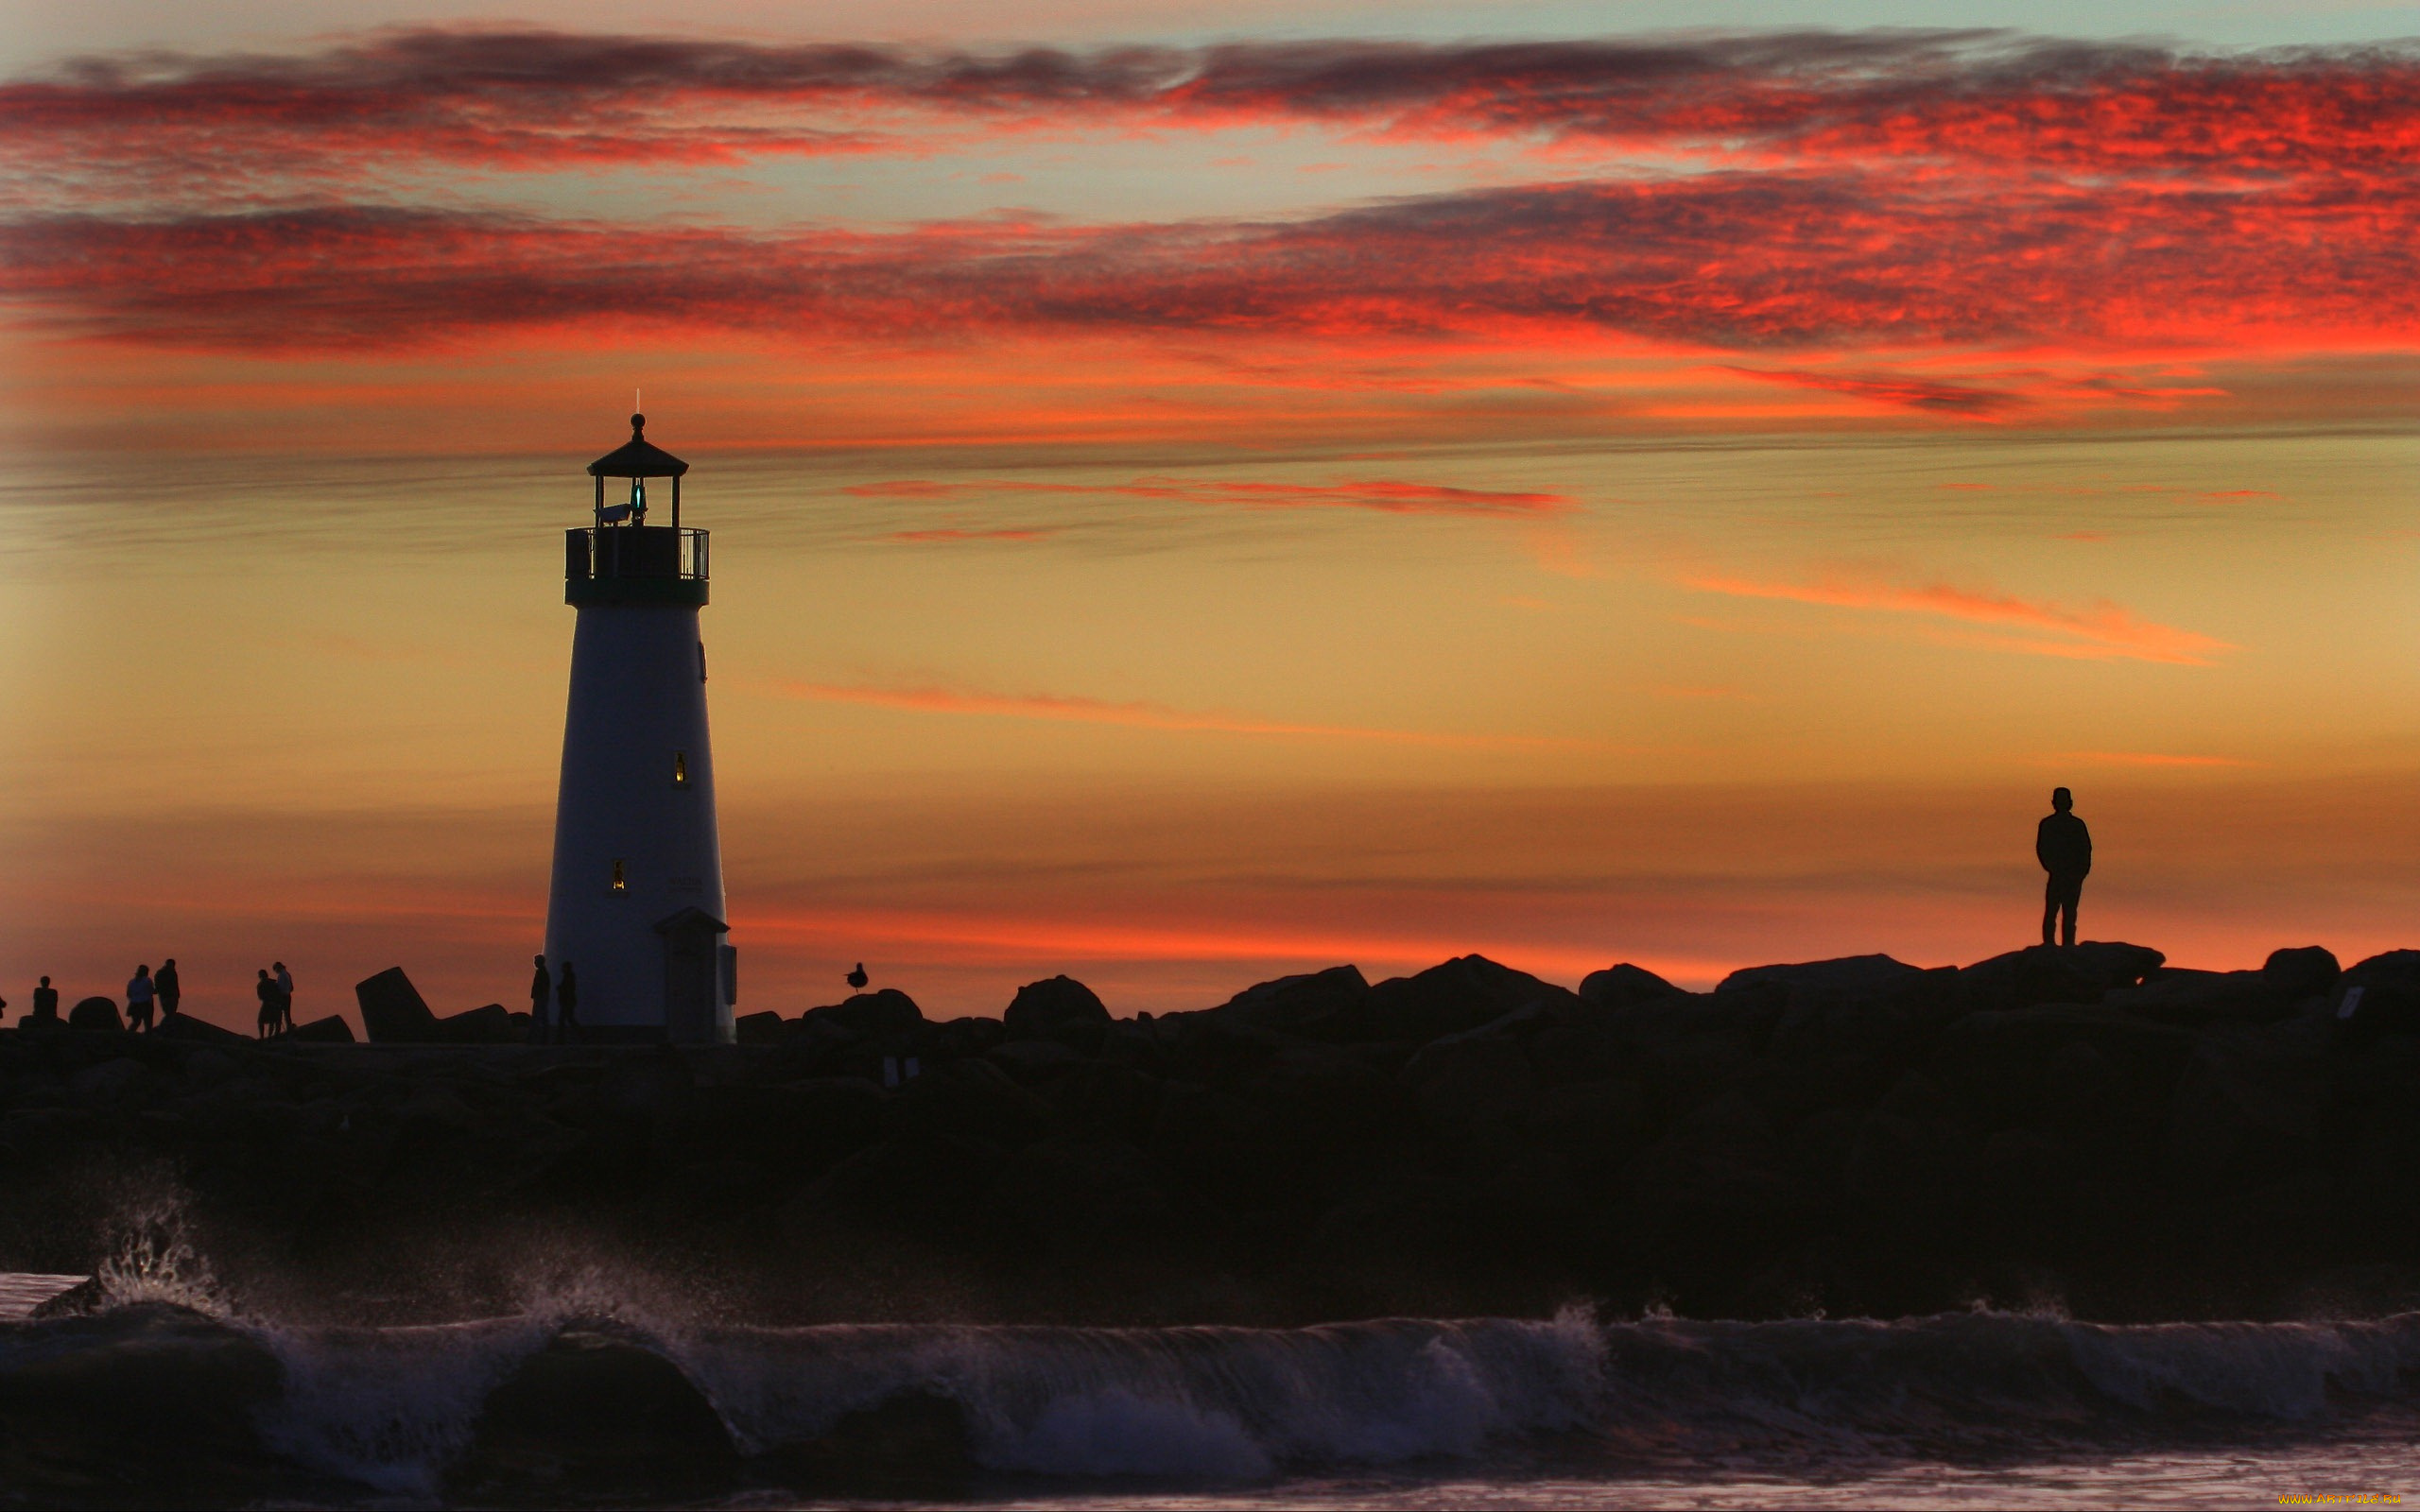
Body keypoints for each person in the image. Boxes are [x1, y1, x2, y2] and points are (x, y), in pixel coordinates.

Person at [2036, 786, 2093, 949]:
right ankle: (2050, 945)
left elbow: (2085, 850)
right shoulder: (2049, 824)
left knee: (2069, 913)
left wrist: (2080, 872)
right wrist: (2054, 868)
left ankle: (2067, 945)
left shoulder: (2076, 825)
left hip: (2072, 876)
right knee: (2053, 912)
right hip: (2059, 874)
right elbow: (2043, 850)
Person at [528, 954, 553, 1044]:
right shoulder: (542, 972)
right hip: (540, 997)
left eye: (536, 961)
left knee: (538, 1018)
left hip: (540, 997)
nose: (534, 963)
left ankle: (536, 1038)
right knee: (542, 1018)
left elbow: (541, 986)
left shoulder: (542, 973)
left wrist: (538, 995)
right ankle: (542, 1038)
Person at [126, 964, 156, 1033]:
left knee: (136, 1022)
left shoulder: (131, 982)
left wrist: (135, 998)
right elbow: (152, 991)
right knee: (148, 1022)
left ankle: (128, 1035)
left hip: (134, 1004)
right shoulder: (147, 981)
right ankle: (148, 1037)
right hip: (146, 1004)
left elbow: (129, 994)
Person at [555, 961, 579, 1042]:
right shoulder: (569, 976)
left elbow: (568, 989)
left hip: (567, 1002)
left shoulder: (568, 977)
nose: (562, 969)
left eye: (563, 967)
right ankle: (579, 1034)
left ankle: (561, 1039)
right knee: (569, 1019)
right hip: (568, 1001)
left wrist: (560, 989)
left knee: (563, 1020)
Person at [255, 968, 282, 1039]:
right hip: (274, 1004)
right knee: (272, 1021)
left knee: (261, 1021)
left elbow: (261, 996)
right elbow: (278, 993)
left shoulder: (261, 985)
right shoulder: (273, 983)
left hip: (267, 1004)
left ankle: (262, 1037)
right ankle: (269, 1037)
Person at [272, 961, 295, 1034]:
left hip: (283, 997)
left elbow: (280, 988)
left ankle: (278, 1032)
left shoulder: (282, 975)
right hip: (288, 996)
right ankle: (289, 1029)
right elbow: (291, 988)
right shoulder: (287, 974)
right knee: (287, 1014)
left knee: (279, 1014)